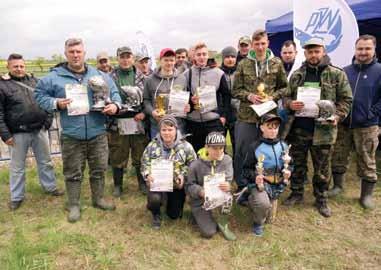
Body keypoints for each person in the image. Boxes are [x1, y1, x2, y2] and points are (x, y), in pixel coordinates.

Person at [34, 38, 122, 223]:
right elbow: (39, 95)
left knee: (98, 169)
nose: (75, 55)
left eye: (78, 52)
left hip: (97, 132)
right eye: (71, 52)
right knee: (73, 172)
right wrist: (55, 103)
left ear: (84, 53)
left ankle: (98, 199)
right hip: (72, 135)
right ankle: (73, 204)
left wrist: (114, 105)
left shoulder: (99, 75)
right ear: (66, 54)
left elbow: (115, 94)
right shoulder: (53, 77)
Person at [283, 37, 352, 217]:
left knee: (322, 167)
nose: (313, 55)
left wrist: (337, 116)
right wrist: (290, 104)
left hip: (324, 130)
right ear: (305, 53)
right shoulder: (298, 74)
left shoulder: (337, 74)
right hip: (299, 128)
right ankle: (296, 193)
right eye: (310, 52)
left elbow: (346, 100)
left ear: (323, 52)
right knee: (297, 164)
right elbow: (285, 97)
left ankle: (321, 198)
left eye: (317, 51)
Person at [0, 53, 63, 210]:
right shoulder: (2, 86)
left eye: (21, 66)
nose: (19, 69)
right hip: (17, 133)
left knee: (46, 162)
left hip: (39, 130)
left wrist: (47, 122)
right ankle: (17, 197)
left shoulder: (35, 81)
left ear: (25, 66)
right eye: (15, 66)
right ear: (8, 67)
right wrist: (5, 135)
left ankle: (50, 187)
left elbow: (47, 101)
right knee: (17, 167)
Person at [232, 29, 288, 198]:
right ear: (252, 45)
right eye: (257, 44)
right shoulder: (243, 64)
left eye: (263, 43)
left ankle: (267, 183)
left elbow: (285, 87)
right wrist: (249, 96)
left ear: (268, 43)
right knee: (243, 150)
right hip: (247, 115)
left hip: (268, 115)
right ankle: (241, 183)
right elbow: (236, 90)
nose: (260, 47)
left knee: (266, 150)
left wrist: (272, 97)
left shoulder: (277, 63)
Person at [330, 35, 381, 209]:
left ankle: (366, 196)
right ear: (355, 49)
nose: (363, 52)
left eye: (367, 49)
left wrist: (372, 113)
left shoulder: (379, 71)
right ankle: (337, 186)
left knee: (367, 159)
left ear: (374, 50)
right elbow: (337, 95)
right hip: (343, 124)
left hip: (367, 126)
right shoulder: (345, 71)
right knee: (338, 156)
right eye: (360, 49)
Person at [141, 115, 197, 229]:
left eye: (170, 130)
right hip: (157, 184)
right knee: (154, 199)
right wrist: (148, 175)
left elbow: (193, 165)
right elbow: (144, 163)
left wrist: (183, 176)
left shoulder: (186, 146)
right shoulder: (152, 145)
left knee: (174, 215)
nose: (167, 133)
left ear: (176, 130)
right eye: (164, 130)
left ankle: (168, 202)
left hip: (176, 185)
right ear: (159, 131)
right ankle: (155, 213)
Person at [108, 46, 149, 197]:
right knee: (118, 154)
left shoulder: (143, 77)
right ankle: (118, 185)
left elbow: (148, 100)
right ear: (117, 58)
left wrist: (144, 113)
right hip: (118, 122)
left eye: (128, 56)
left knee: (140, 154)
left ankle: (142, 183)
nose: (125, 60)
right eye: (122, 57)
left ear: (133, 58)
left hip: (137, 121)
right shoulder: (109, 77)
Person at [242, 114, 291, 236]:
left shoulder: (283, 146)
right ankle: (257, 223)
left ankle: (259, 201)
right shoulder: (254, 147)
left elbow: (290, 164)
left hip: (277, 184)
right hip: (261, 185)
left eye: (276, 127)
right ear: (262, 128)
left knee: (271, 219)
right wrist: (255, 177)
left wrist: (289, 171)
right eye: (269, 127)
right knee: (263, 205)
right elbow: (246, 169)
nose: (273, 130)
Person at [186, 132, 236, 241]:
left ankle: (223, 222)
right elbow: (189, 186)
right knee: (209, 232)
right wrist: (200, 191)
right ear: (206, 147)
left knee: (228, 198)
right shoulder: (195, 164)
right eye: (214, 148)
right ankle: (198, 215)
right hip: (201, 200)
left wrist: (228, 185)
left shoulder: (227, 160)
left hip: (220, 196)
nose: (218, 151)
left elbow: (229, 179)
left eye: (221, 148)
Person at [185, 42, 230, 152]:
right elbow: (184, 96)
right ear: (194, 56)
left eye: (204, 54)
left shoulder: (218, 73)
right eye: (199, 54)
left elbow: (226, 96)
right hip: (193, 122)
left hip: (213, 122)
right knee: (195, 156)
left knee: (216, 155)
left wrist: (223, 116)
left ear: (208, 55)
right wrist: (190, 100)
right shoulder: (187, 74)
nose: (202, 57)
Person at [143, 48, 189, 138]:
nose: (169, 63)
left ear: (175, 61)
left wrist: (187, 106)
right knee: (158, 151)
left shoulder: (182, 78)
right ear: (160, 61)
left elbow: (185, 99)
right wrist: (152, 112)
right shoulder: (150, 79)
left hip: (178, 125)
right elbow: (146, 100)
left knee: (178, 151)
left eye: (171, 60)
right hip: (157, 126)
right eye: (166, 60)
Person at [219, 46, 238, 155]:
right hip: (222, 114)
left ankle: (237, 170)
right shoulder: (217, 73)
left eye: (233, 56)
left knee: (237, 145)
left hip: (237, 114)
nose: (230, 59)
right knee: (220, 145)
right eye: (227, 57)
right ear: (223, 58)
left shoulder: (241, 72)